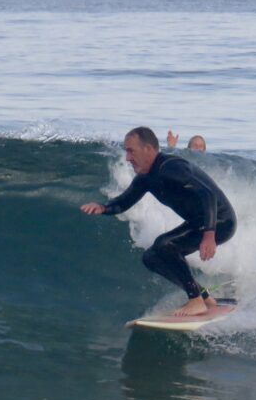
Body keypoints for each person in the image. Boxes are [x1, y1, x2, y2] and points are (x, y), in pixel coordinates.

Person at [81, 127, 236, 316]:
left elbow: (207, 194)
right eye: (126, 151)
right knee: (151, 258)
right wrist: (104, 207)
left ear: (148, 149)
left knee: (165, 244)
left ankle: (195, 300)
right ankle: (204, 297)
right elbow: (123, 203)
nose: (128, 157)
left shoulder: (172, 168)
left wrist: (209, 234)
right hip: (199, 223)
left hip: (220, 221)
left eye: (131, 151)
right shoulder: (145, 179)